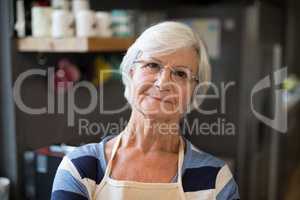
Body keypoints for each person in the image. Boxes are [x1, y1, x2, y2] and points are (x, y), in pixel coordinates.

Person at [51, 21, 240, 200]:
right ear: (131, 73)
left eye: (181, 74)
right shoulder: (80, 168)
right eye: (152, 65)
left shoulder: (216, 180)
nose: (163, 83)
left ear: (193, 92)